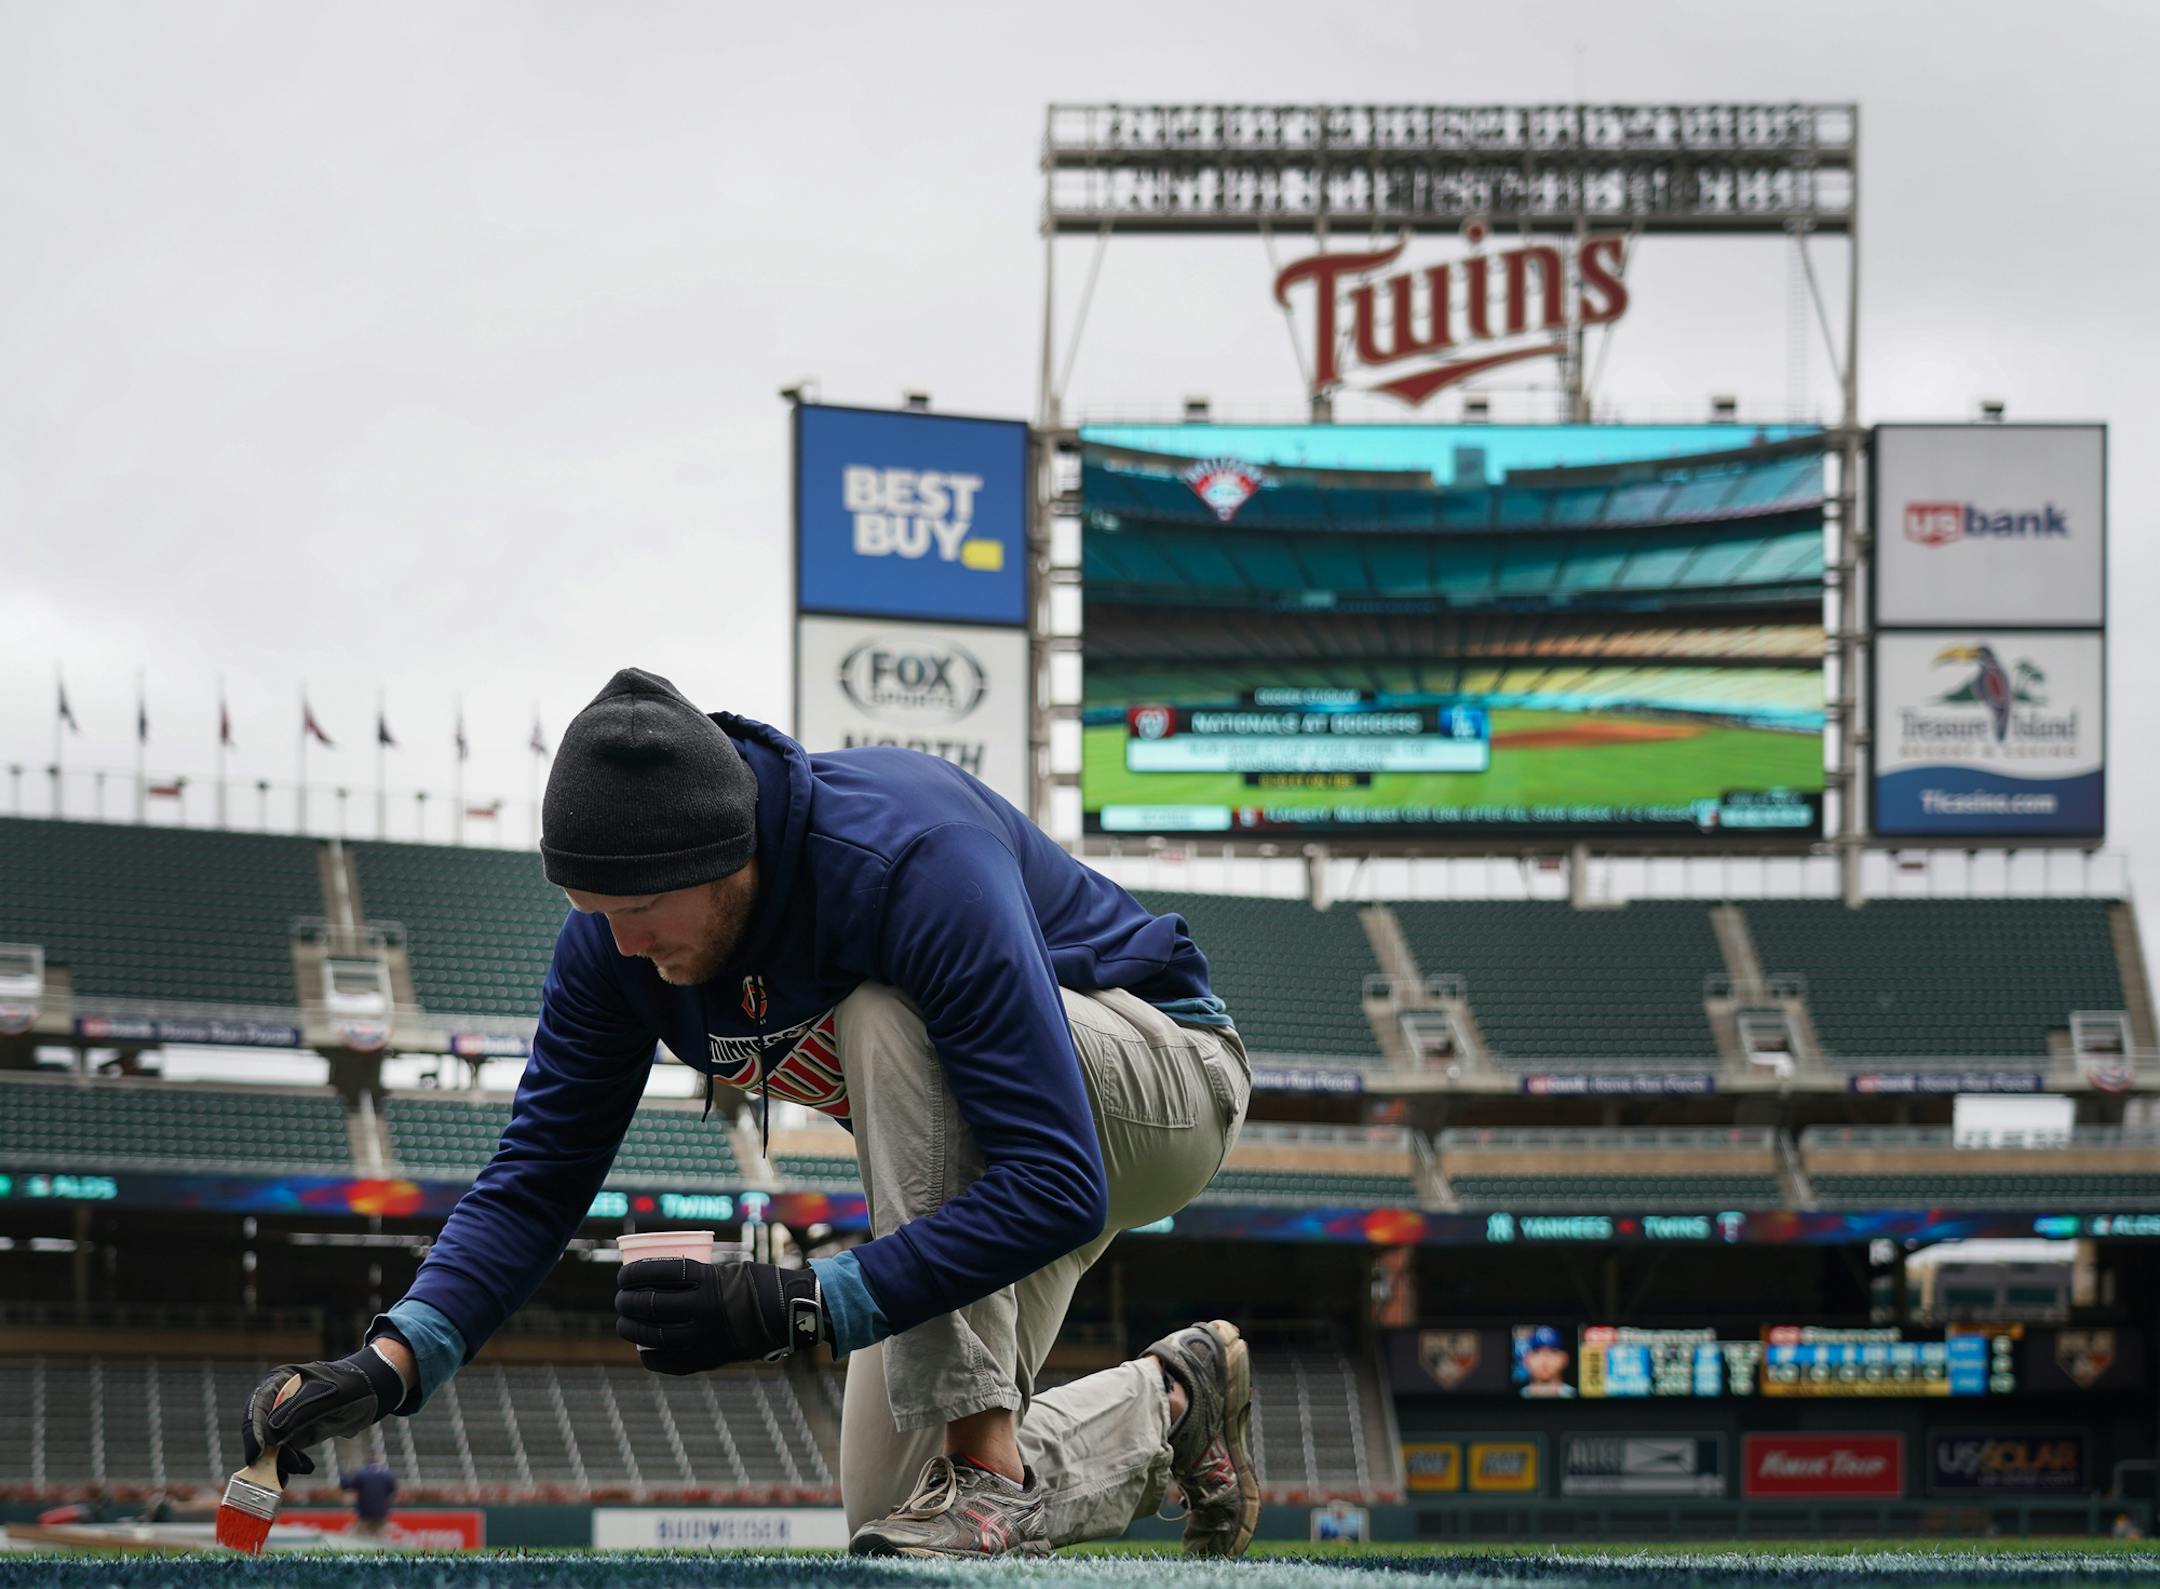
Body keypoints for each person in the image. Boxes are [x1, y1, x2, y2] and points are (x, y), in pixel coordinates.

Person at [241, 668, 1257, 1559]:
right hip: (988, 1158)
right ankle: (1167, 1401)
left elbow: (1059, 1181)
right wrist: (388, 1361)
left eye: (638, 908)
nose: (620, 941)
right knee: (892, 1521)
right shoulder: (610, 939)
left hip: (1158, 1082)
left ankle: (988, 1472)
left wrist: (802, 1301)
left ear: (728, 855)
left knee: (883, 1008)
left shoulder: (905, 855)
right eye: (593, 909)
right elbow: (538, 1177)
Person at [340, 1461, 397, 1540]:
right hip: (381, 1512)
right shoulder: (388, 1475)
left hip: (365, 1513)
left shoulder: (362, 1474)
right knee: (381, 1540)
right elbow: (392, 1491)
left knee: (359, 1539)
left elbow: (346, 1485)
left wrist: (343, 1474)